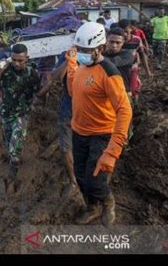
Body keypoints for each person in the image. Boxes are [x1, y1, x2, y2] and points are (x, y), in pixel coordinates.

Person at [65, 22, 132, 227]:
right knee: (81, 177)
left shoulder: (110, 73)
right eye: (80, 50)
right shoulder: (81, 67)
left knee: (95, 180)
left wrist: (112, 151)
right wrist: (70, 66)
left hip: (102, 133)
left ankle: (108, 201)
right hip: (79, 132)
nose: (82, 54)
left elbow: (124, 110)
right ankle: (92, 207)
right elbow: (73, 92)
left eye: (87, 50)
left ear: (100, 49)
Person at [0, 44, 49, 194]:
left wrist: (48, 85)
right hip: (6, 113)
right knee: (9, 143)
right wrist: (0, 70)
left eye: (21, 60)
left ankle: (11, 179)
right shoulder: (6, 70)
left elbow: (39, 94)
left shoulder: (32, 73)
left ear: (27, 59)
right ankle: (8, 158)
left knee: (14, 152)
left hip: (21, 115)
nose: (17, 63)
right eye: (15, 60)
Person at [50, 52, 79, 198]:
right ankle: (73, 181)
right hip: (67, 108)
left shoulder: (99, 55)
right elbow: (55, 77)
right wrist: (68, 61)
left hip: (89, 111)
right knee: (65, 146)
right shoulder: (67, 55)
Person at [118, 20, 153, 98]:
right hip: (120, 69)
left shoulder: (136, 40)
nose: (125, 34)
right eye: (123, 32)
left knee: (133, 90)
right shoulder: (117, 41)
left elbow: (142, 55)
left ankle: (135, 104)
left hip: (132, 67)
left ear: (131, 29)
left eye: (127, 31)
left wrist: (148, 71)